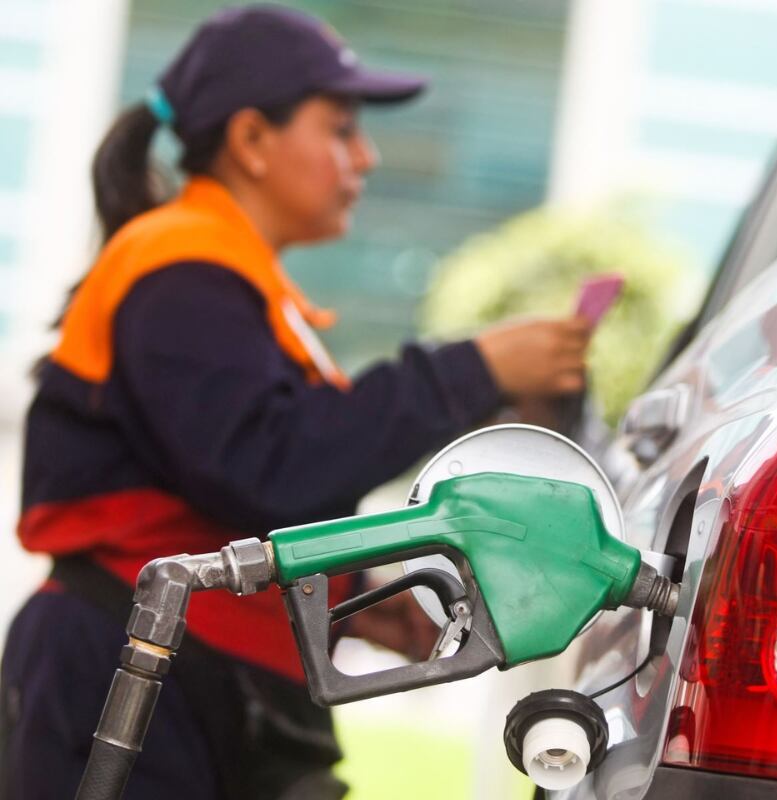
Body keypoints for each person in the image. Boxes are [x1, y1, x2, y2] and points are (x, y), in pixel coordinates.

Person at [0, 6, 591, 799]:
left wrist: (350, 594)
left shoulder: (227, 281)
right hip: (126, 670)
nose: (365, 156)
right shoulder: (179, 268)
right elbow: (270, 464)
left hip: (186, 666)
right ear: (251, 141)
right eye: (341, 129)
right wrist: (473, 369)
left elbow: (220, 486)